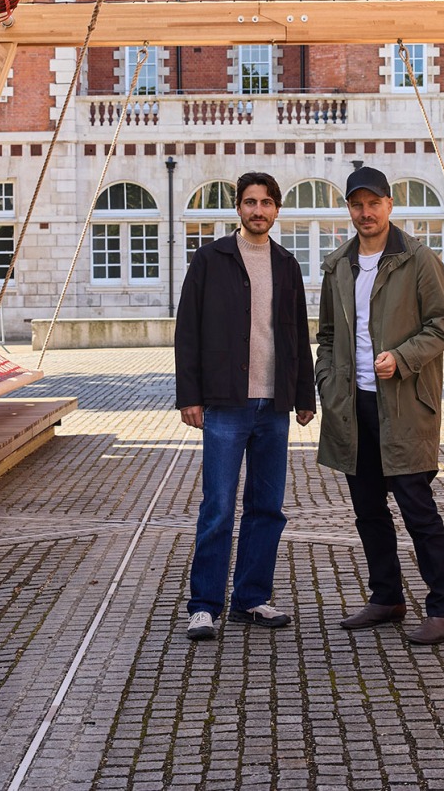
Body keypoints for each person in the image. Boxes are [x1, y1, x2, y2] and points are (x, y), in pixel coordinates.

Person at [314, 165, 444, 645]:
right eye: (357, 205)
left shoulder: (419, 260)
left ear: (389, 205)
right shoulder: (338, 264)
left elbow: (443, 325)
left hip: (404, 406)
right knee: (368, 511)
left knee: (418, 509)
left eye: (374, 203)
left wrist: (401, 358)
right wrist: (327, 384)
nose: (366, 213)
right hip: (353, 408)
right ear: (349, 209)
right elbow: (327, 336)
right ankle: (387, 597)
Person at [175, 171, 316, 641]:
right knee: (218, 506)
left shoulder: (286, 263)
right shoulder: (210, 259)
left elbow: (297, 333)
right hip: (226, 404)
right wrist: (189, 396)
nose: (258, 210)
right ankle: (204, 606)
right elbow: (187, 331)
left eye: (266, 202)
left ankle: (251, 599)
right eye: (250, 202)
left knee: (267, 507)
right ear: (238, 207)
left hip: (273, 405)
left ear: (277, 210)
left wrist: (304, 395)